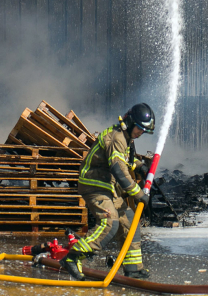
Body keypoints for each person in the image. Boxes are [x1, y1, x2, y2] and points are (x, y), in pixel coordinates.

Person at [62, 103, 155, 280]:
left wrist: (140, 167)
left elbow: (124, 161)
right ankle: (73, 258)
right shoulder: (117, 138)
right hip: (95, 186)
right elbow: (118, 169)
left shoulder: (126, 139)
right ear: (130, 122)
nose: (140, 132)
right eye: (139, 128)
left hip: (108, 187)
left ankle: (133, 267)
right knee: (110, 222)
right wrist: (139, 194)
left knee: (129, 222)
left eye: (144, 130)